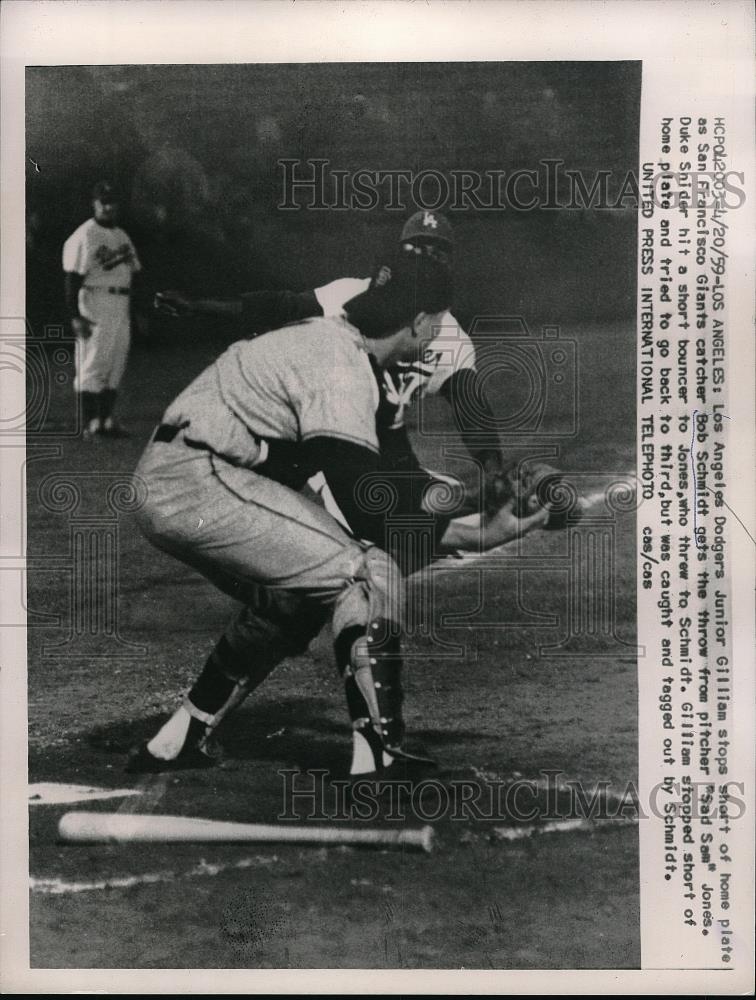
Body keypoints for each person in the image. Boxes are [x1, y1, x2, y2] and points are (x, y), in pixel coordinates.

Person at [128, 251, 548, 779]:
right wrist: (481, 532)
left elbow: (383, 489)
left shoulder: (333, 342)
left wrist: (469, 508)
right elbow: (370, 518)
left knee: (299, 593)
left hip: (191, 473)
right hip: (197, 479)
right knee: (365, 571)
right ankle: (379, 753)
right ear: (419, 322)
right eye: (435, 324)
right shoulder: (343, 368)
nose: (436, 335)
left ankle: (179, 737)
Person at [154, 211, 510, 514]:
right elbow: (282, 306)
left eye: (436, 251)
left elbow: (470, 403)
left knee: (412, 514)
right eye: (415, 248)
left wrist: (492, 469)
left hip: (372, 442)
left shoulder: (447, 334)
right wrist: (203, 306)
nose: (425, 256)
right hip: (316, 435)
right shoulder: (354, 294)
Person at [62, 180, 141, 438]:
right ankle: (89, 423)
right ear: (94, 203)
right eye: (103, 202)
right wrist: (75, 316)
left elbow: (133, 274)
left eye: (112, 202)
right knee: (93, 362)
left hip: (121, 304)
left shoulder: (121, 235)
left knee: (116, 362)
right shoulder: (85, 235)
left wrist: (137, 311)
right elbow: (72, 278)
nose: (108, 207)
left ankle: (106, 421)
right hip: (95, 302)